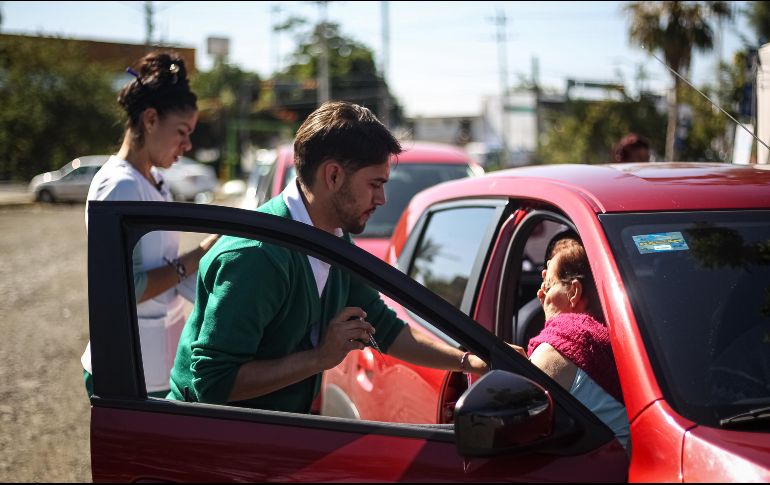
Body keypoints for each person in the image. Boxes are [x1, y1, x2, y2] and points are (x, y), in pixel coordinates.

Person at [167, 101, 488, 412]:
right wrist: (320, 358)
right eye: (375, 184)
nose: (382, 198)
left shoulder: (334, 237)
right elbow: (213, 384)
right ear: (333, 176)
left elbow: (383, 327)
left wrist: (466, 360)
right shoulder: (255, 256)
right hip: (211, 448)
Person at [81, 51, 218, 398]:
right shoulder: (120, 186)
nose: (187, 145)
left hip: (158, 362)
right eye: (182, 132)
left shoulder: (156, 181)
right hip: (128, 367)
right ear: (151, 119)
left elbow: (166, 273)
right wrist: (201, 254)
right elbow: (129, 287)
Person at [518, 231, 630, 448]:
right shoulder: (626, 341)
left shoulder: (554, 351)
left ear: (574, 292)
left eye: (548, 286)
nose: (540, 295)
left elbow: (512, 426)